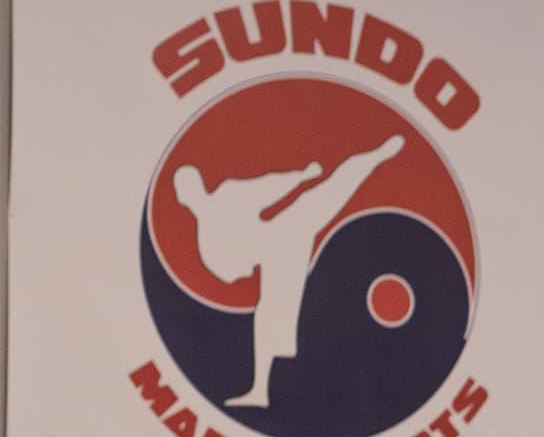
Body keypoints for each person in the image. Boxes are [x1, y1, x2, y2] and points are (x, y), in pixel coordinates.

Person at [170, 135, 406, 407]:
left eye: (187, 185)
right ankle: (260, 390)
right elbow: (230, 271)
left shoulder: (227, 195)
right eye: (183, 187)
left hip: (280, 236)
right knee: (269, 311)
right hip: (274, 249)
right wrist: (302, 177)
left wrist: (302, 177)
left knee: (321, 196)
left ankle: (372, 158)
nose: (187, 192)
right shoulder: (208, 235)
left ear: (191, 190)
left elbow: (266, 187)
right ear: (181, 197)